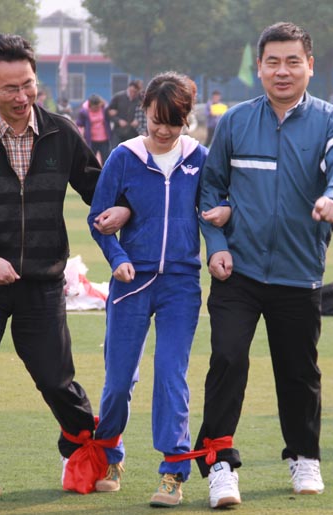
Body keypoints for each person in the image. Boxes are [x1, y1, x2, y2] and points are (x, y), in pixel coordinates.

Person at [0, 34, 130, 502]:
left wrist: (123, 208)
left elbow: (96, 187)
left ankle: (83, 450)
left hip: (44, 281)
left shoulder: (60, 133)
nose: (22, 96)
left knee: (55, 379)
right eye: (10, 87)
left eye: (28, 84)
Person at [195, 22, 333, 508]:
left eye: (292, 62)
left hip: (299, 272)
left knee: (298, 371)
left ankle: (304, 456)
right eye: (273, 62)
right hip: (238, 272)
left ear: (310, 66)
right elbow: (211, 188)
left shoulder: (331, 121)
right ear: (260, 67)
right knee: (227, 360)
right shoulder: (235, 121)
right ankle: (220, 465)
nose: (282, 71)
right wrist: (216, 244)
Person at [87, 71, 218, 507]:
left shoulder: (200, 158)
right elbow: (98, 219)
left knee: (170, 374)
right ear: (143, 110)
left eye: (174, 122)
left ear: (188, 118)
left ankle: (173, 471)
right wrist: (118, 257)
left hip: (181, 283)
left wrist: (220, 234)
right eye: (156, 120)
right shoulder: (123, 157)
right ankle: (111, 455)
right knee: (118, 379)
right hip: (131, 282)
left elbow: (213, 210)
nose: (163, 130)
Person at [76, 94, 112, 164]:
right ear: (90, 105)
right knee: (91, 160)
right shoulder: (84, 112)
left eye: (98, 107)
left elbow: (110, 117)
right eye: (94, 107)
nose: (96, 109)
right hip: (91, 140)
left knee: (106, 160)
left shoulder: (104, 109)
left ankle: (105, 171)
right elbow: (79, 123)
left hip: (104, 139)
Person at [107, 80, 142, 147]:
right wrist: (118, 121)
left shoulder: (139, 99)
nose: (133, 94)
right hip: (118, 132)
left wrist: (137, 120)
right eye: (131, 91)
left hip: (132, 133)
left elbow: (143, 114)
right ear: (128, 88)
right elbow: (109, 113)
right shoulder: (118, 97)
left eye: (135, 92)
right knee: (115, 150)